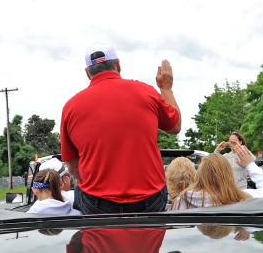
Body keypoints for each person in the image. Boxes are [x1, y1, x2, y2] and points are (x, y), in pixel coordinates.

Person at [60, 45, 181, 214]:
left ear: (88, 73)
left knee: (81, 189)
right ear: (118, 65)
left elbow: (73, 168)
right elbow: (175, 127)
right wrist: (166, 88)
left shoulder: (71, 107)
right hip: (149, 200)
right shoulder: (146, 92)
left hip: (97, 203)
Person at [171, 142, 263, 209]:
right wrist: (250, 165)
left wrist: (216, 152)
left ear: (200, 174)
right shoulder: (242, 197)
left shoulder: (185, 198)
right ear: (229, 174)